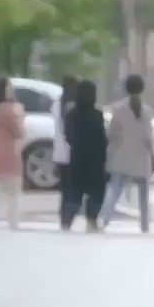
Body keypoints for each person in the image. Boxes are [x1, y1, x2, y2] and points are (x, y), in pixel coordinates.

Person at [99, 74, 154, 233]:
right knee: (144, 195)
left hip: (121, 156)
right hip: (142, 157)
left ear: (126, 88)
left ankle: (104, 218)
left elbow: (112, 134)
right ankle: (145, 225)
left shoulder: (118, 109)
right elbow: (148, 137)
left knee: (114, 189)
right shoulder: (147, 111)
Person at [62, 79, 107, 232]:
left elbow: (67, 135)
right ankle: (92, 220)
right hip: (95, 159)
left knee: (74, 191)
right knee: (96, 191)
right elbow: (102, 138)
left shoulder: (71, 114)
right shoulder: (97, 114)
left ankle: (67, 221)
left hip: (77, 156)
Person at [0, 77, 26, 230]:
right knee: (13, 194)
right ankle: (13, 222)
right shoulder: (11, 110)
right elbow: (19, 132)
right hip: (10, 155)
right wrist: (21, 115)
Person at [51, 75, 78, 229]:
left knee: (65, 189)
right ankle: (69, 216)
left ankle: (63, 217)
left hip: (59, 153)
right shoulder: (75, 106)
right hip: (73, 153)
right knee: (73, 188)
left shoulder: (56, 104)